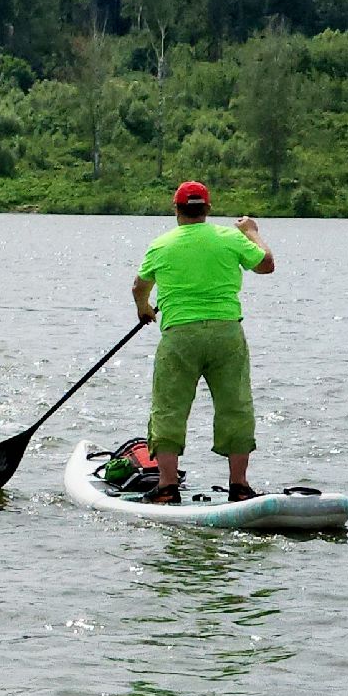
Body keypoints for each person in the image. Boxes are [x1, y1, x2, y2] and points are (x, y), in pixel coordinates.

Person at [131, 181, 276, 504]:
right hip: (227, 334)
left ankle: (167, 486)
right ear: (208, 209)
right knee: (235, 406)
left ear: (176, 210)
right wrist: (251, 231)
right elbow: (266, 265)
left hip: (180, 336)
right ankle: (238, 485)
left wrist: (144, 309)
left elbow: (139, 287)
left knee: (169, 407)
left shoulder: (162, 244)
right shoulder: (230, 238)